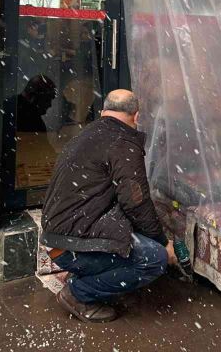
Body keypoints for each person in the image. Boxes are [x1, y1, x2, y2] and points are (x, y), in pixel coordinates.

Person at [41, 89, 177, 323]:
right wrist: (164, 244)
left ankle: (88, 274)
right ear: (136, 117)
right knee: (154, 259)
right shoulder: (122, 143)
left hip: (57, 238)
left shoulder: (86, 135)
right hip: (71, 248)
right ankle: (78, 293)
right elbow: (136, 203)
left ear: (104, 111)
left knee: (134, 239)